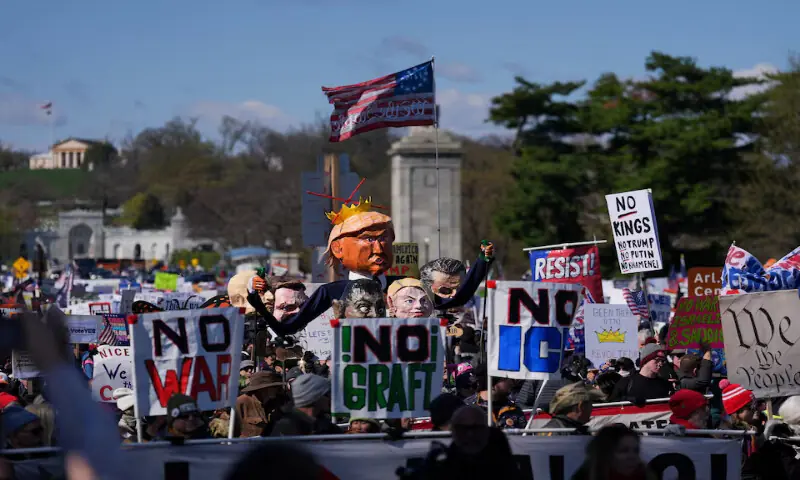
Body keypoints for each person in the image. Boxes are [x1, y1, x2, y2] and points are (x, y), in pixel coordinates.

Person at [246, 198, 493, 336]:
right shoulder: (331, 292)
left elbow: (454, 299)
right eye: (368, 239)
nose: (378, 247)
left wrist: (483, 262)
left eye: (384, 238)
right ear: (339, 249)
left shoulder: (405, 286)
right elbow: (287, 327)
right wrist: (255, 299)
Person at [571, 424, 656, 480]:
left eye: (636, 451)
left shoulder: (648, 476)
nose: (632, 456)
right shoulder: (585, 476)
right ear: (605, 453)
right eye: (623, 451)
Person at [271, 374, 341, 436]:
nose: (331, 398)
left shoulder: (325, 425)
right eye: (327, 393)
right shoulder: (284, 429)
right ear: (316, 397)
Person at [465, 363, 526, 429]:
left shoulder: (514, 409)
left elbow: (524, 436)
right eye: (507, 378)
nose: (512, 382)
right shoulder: (466, 408)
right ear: (492, 381)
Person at [608, 342, 673, 403]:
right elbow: (610, 405)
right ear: (646, 360)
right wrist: (626, 399)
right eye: (657, 360)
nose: (660, 364)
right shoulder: (626, 383)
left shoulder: (665, 384)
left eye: (662, 361)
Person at [236, 372, 285, 437]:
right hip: (247, 445)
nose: (277, 389)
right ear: (263, 389)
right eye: (274, 386)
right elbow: (231, 431)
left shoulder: (277, 402)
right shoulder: (241, 402)